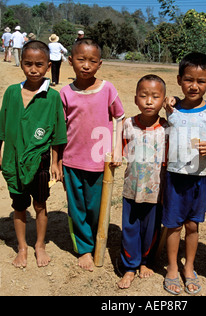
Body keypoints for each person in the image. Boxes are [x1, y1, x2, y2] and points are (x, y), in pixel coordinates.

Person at [0, 40, 67, 268]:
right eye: (28, 64)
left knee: (40, 205)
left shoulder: (53, 97)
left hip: (40, 161)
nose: (33, 69)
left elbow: (57, 133)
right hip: (14, 159)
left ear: (48, 66)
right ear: (21, 64)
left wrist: (56, 162)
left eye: (39, 64)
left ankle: (40, 245)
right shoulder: (11, 93)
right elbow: (2, 125)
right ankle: (22, 247)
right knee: (19, 206)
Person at [59, 38, 125, 272]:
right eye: (81, 60)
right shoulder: (65, 93)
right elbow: (59, 130)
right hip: (72, 161)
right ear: (70, 61)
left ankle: (99, 238)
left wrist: (117, 149)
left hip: (101, 162)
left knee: (96, 206)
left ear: (100, 64)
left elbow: (119, 117)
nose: (86, 65)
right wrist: (57, 161)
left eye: (92, 61)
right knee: (77, 207)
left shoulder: (107, 89)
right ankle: (85, 248)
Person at [163, 52, 206, 295]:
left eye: (201, 81)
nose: (194, 86)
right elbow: (158, 102)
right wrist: (169, 100)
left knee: (193, 226)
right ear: (179, 79)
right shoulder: (173, 110)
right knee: (173, 225)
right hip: (174, 177)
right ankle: (172, 270)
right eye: (189, 79)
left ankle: (189, 268)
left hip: (200, 178)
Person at [117, 75, 169, 289]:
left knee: (150, 230)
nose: (149, 101)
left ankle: (145, 262)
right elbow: (117, 151)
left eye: (155, 97)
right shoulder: (127, 124)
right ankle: (130, 266)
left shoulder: (167, 128)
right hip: (131, 189)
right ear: (136, 99)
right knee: (130, 228)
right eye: (144, 96)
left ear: (164, 100)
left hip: (156, 193)